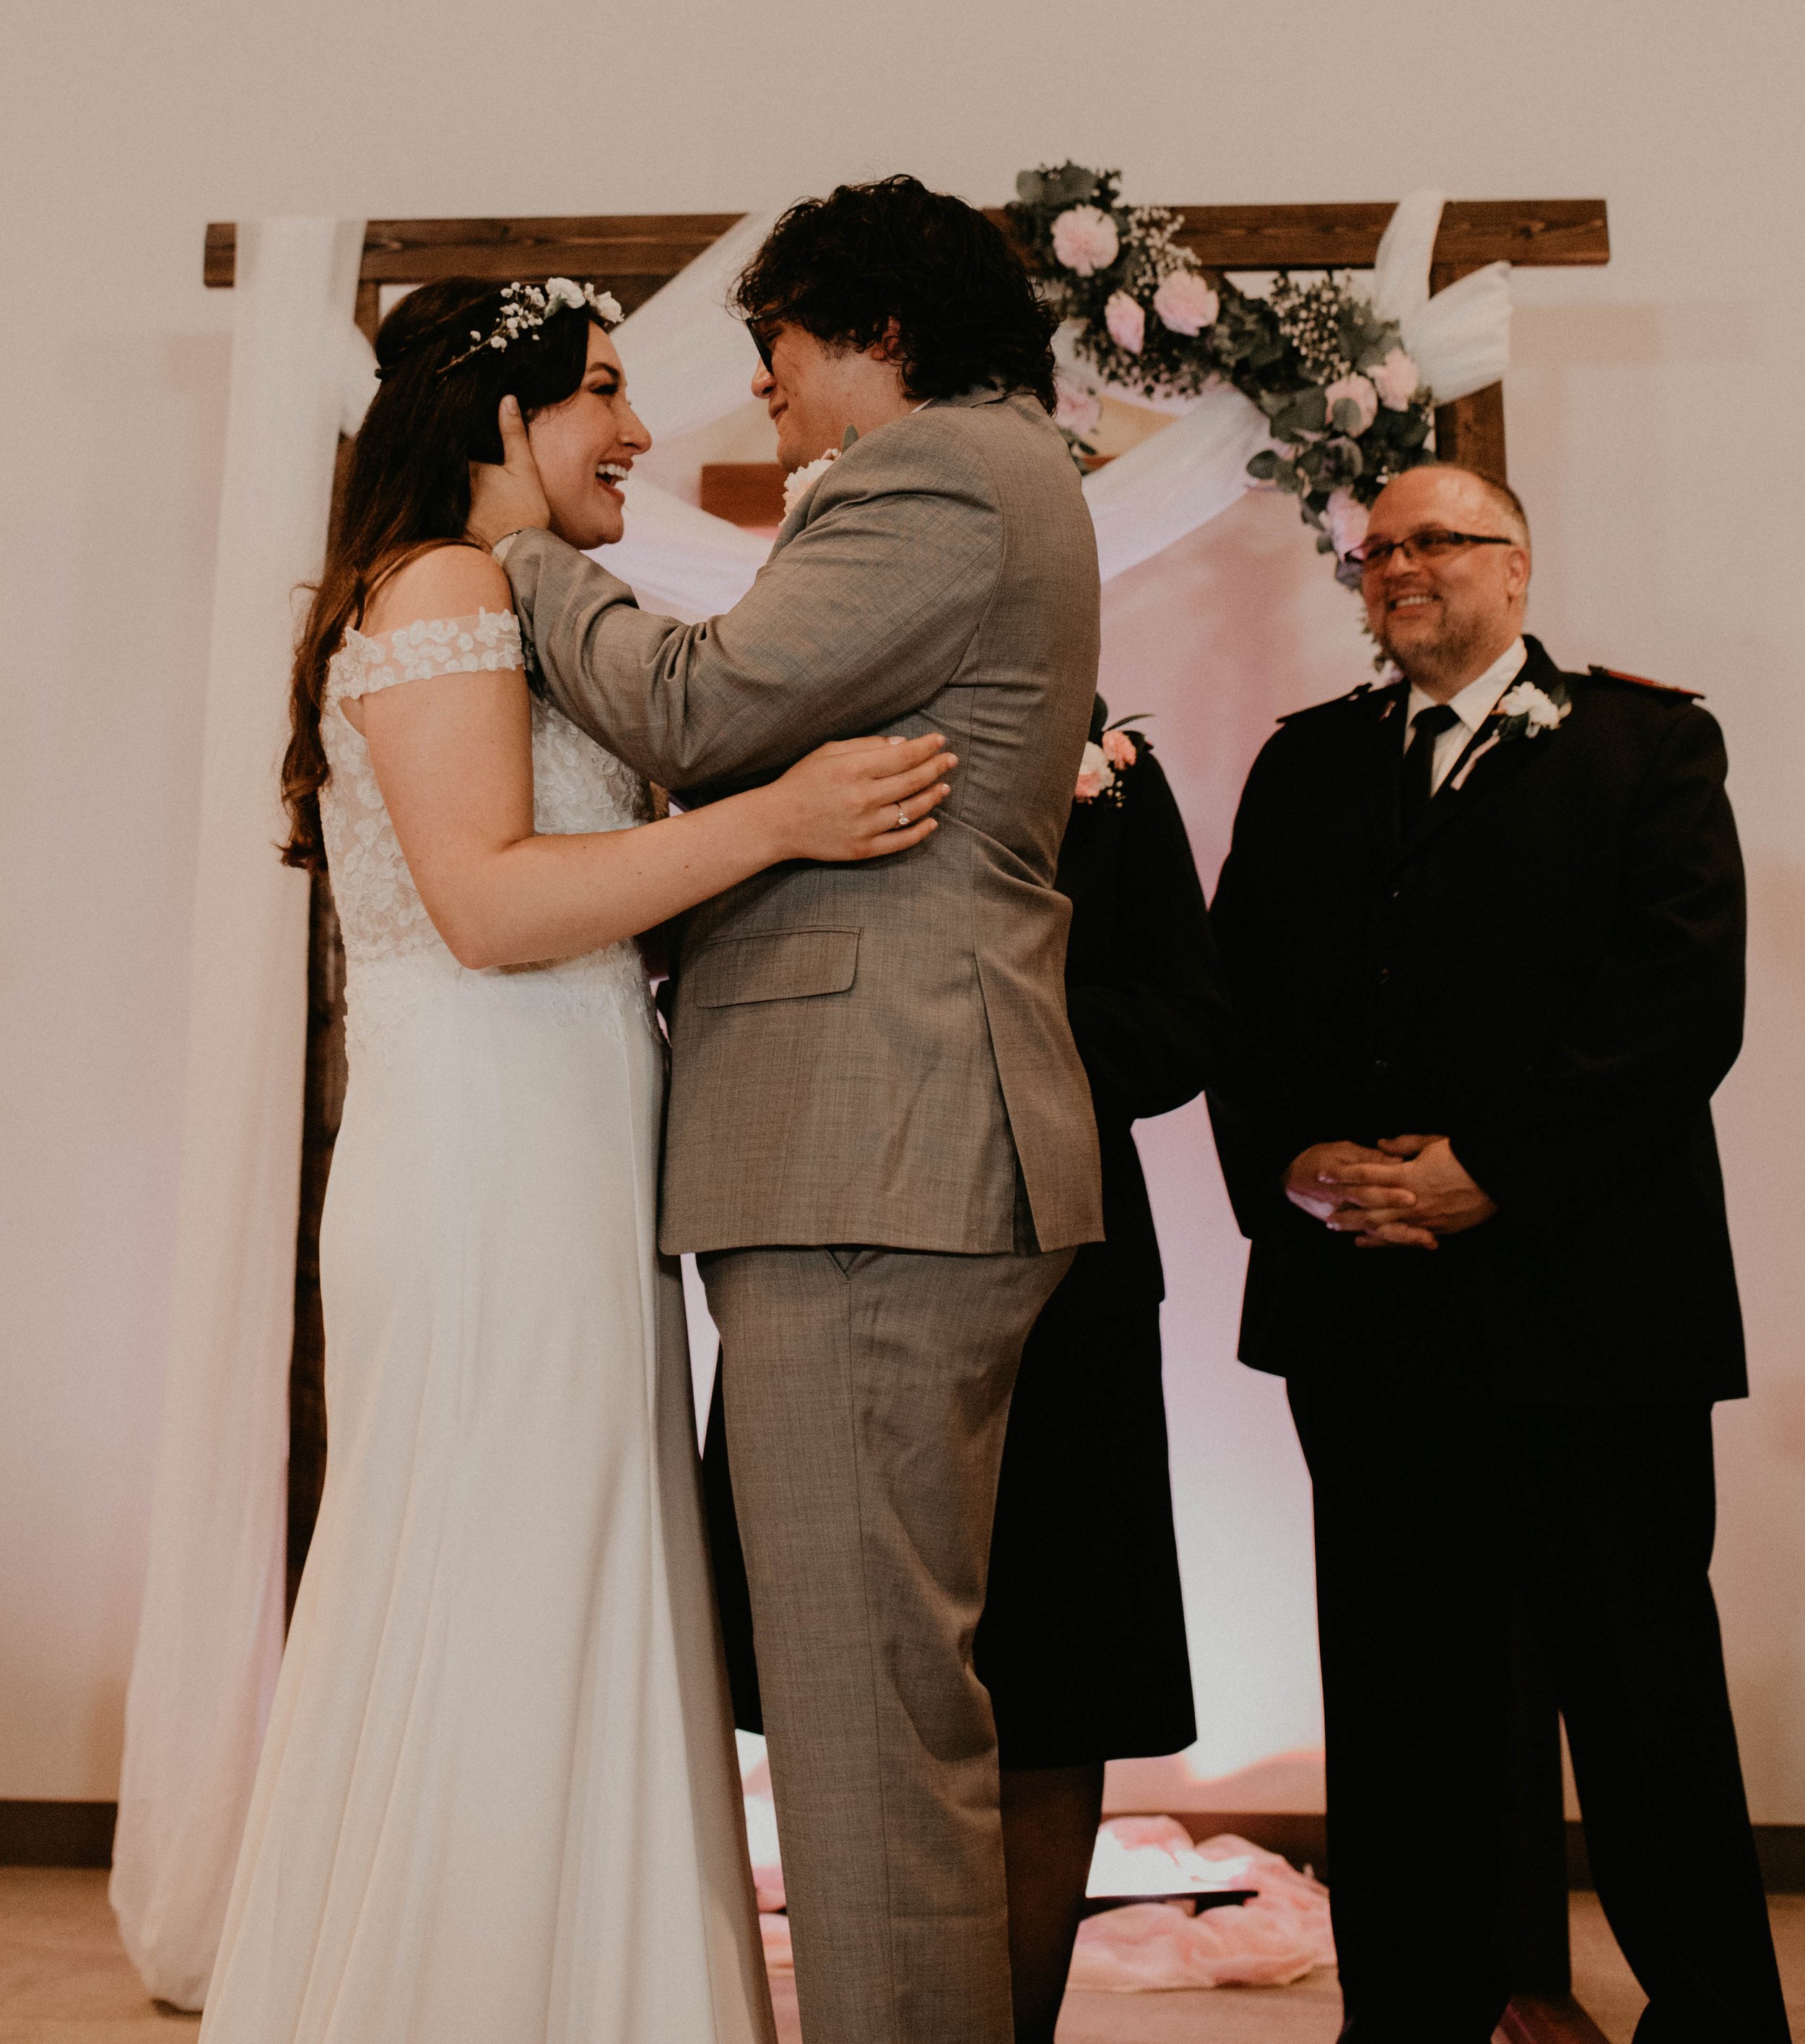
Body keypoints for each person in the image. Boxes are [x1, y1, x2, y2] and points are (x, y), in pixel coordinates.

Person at [201, 277, 953, 2044]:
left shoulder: (452, 593)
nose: (636, 430)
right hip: (490, 1156)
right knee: (511, 1578)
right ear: (493, 418)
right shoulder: (453, 583)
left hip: (532, 1140)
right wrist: (775, 822)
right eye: (603, 391)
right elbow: (486, 903)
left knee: (547, 1563)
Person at [469, 178, 1104, 2044]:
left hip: (875, 1146)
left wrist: (515, 557)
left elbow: (697, 698)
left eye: (778, 351)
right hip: (901, 1142)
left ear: (878, 335)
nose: (762, 399)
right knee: (888, 1703)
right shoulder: (1006, 473)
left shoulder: (936, 479)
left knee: (864, 1722)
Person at [1199, 455, 1787, 2044]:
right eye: (1377, 549)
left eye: (1437, 542)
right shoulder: (1304, 767)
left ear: (1515, 569)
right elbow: (1232, 1004)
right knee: (1398, 1705)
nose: (1401, 567)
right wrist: (1290, 1161)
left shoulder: (1644, 746)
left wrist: (1488, 1175)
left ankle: (1719, 2018)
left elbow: (1678, 1009)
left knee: (1639, 1694)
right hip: (1365, 1318)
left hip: (1589, 1317)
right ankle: (1406, 2012)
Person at [700, 700, 1213, 2044]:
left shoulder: (1107, 761)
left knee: (1055, 1682)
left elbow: (1182, 1015)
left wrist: (986, 1024)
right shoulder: (787, 736)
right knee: (841, 1677)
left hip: (1070, 1274)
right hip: (840, 1250)